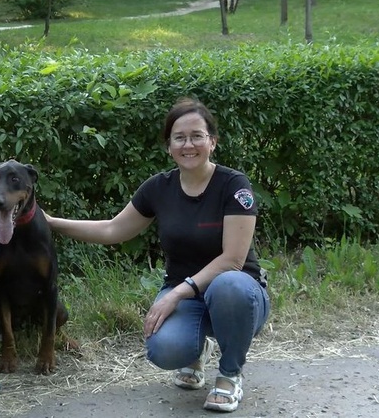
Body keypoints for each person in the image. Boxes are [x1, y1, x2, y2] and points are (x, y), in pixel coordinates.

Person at [45, 98, 270, 413]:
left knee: (228, 285)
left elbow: (233, 259)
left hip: (239, 293)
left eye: (197, 136)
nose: (188, 144)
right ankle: (195, 349)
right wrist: (51, 222)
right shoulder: (158, 188)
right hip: (190, 297)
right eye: (179, 137)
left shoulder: (233, 185)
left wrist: (176, 293)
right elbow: (113, 230)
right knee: (164, 350)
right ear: (169, 146)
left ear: (212, 142)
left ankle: (230, 375)